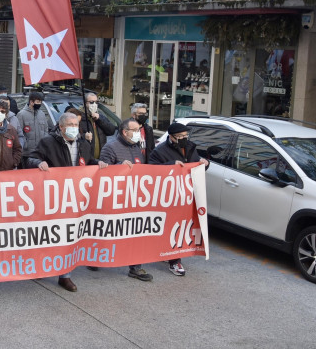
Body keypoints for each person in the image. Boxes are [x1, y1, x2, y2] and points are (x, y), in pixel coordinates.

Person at [25, 112, 108, 291]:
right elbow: (30, 158)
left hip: (76, 198)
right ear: (61, 127)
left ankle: (65, 275)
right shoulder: (48, 142)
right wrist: (38, 163)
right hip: (54, 197)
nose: (74, 128)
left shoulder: (83, 143)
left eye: (76, 125)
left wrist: (98, 163)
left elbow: (87, 162)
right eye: (70, 125)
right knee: (50, 234)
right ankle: (42, 265)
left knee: (69, 235)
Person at [149, 122, 209, 276]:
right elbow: (151, 170)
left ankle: (173, 257)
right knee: (170, 226)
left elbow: (194, 164)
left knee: (181, 226)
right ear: (171, 137)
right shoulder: (159, 151)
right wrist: (171, 165)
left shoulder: (190, 146)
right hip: (169, 196)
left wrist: (204, 164)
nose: (184, 139)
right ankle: (173, 260)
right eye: (180, 136)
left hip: (187, 194)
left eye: (185, 136)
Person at [99, 118, 152, 281]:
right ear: (125, 132)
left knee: (135, 232)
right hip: (116, 199)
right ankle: (95, 258)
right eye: (135, 130)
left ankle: (136, 267)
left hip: (134, 198)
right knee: (108, 232)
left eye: (139, 130)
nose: (138, 133)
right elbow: (102, 174)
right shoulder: (110, 147)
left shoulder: (137, 147)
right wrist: (120, 166)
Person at [80, 92, 116, 160]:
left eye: (96, 102)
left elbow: (111, 131)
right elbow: (75, 136)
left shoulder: (100, 116)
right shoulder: (79, 117)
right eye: (91, 102)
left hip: (100, 159)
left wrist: (99, 119)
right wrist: (84, 136)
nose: (94, 104)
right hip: (86, 159)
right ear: (85, 103)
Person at [17, 91, 48, 167]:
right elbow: (19, 133)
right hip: (27, 153)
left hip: (40, 151)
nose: (39, 104)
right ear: (31, 102)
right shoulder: (22, 114)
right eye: (38, 101)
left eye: (40, 102)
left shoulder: (41, 114)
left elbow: (46, 130)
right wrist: (25, 145)